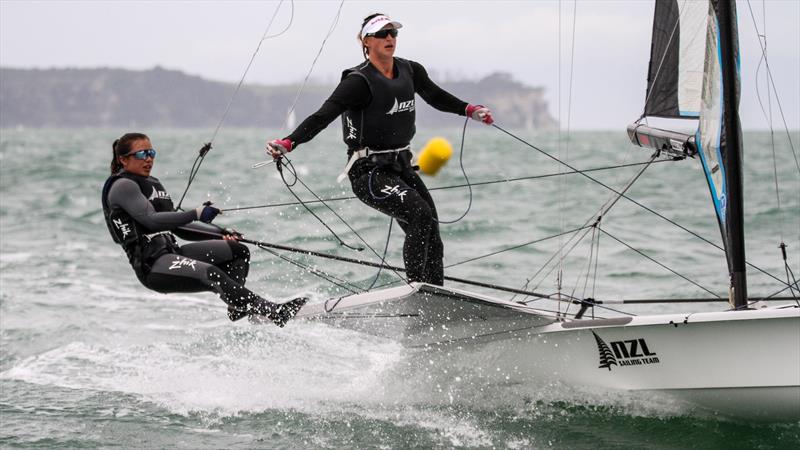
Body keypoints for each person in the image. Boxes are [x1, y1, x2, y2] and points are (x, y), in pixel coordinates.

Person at [266, 13, 494, 285]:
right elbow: (323, 116)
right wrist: (289, 142)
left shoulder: (411, 70)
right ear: (366, 41)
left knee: (430, 227)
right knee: (418, 213)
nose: (390, 38)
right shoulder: (358, 82)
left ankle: (434, 294)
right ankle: (418, 290)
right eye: (382, 34)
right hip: (368, 172)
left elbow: (435, 96)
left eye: (393, 33)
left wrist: (469, 110)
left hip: (401, 167)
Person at [102, 132, 306, 326]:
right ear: (123, 159)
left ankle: (238, 306)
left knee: (237, 251)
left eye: (151, 153)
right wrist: (196, 213)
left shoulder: (152, 183)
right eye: (141, 154)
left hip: (172, 252)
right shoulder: (122, 186)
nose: (149, 159)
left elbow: (179, 227)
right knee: (212, 274)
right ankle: (275, 312)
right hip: (152, 264)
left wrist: (221, 233)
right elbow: (152, 221)